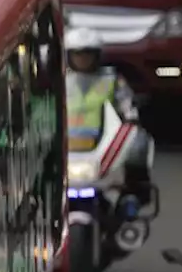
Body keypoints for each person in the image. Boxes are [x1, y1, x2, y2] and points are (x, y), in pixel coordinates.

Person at [64, 27, 150, 185]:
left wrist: (131, 118)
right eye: (77, 54)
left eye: (88, 54)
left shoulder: (112, 79)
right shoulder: (61, 80)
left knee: (139, 142)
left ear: (97, 55)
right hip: (67, 141)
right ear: (68, 56)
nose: (83, 59)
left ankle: (136, 190)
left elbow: (127, 103)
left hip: (103, 140)